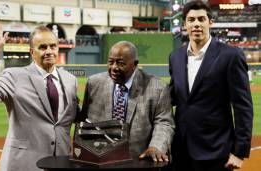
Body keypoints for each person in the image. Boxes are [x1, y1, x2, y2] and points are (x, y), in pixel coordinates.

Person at [0, 20, 79, 171]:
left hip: (61, 162)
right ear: (32, 52)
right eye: (42, 47)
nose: (49, 51)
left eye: (53, 46)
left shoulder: (71, 80)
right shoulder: (14, 76)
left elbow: (72, 116)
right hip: (24, 164)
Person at [169, 1, 253, 171]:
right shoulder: (175, 57)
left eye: (201, 19)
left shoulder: (231, 56)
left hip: (215, 150)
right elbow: (173, 95)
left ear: (210, 22)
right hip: (180, 149)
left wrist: (239, 152)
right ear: (185, 24)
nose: (196, 24)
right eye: (191, 20)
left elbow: (243, 106)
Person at [80, 41, 175, 162]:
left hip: (138, 160)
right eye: (111, 62)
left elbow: (164, 122)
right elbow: (85, 120)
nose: (114, 67)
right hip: (100, 160)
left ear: (135, 64)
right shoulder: (94, 83)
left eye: (120, 63)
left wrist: (156, 146)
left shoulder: (157, 87)